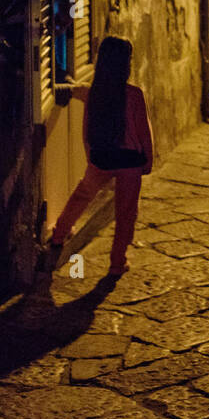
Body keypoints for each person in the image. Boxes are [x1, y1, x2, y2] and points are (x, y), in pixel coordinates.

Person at [46, 36, 154, 276]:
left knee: (82, 195)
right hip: (130, 162)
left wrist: (57, 75)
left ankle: (59, 234)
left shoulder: (92, 92)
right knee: (126, 212)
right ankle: (117, 262)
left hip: (101, 158)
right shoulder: (134, 95)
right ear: (125, 64)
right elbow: (144, 131)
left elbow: (67, 90)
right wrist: (148, 161)